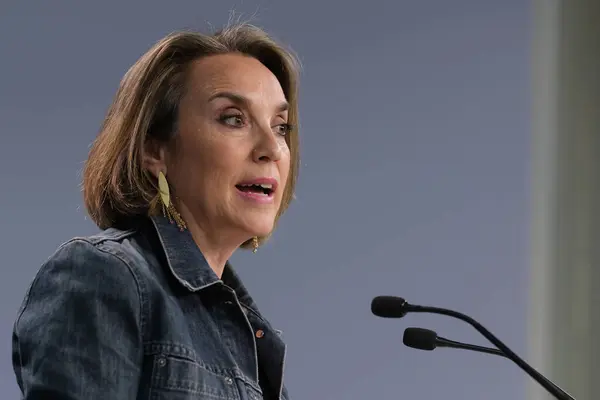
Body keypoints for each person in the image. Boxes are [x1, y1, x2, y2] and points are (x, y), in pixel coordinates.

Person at [12, 23, 300, 400]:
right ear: (155, 151)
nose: (272, 149)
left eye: (281, 127)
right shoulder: (104, 275)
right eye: (233, 118)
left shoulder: (247, 334)